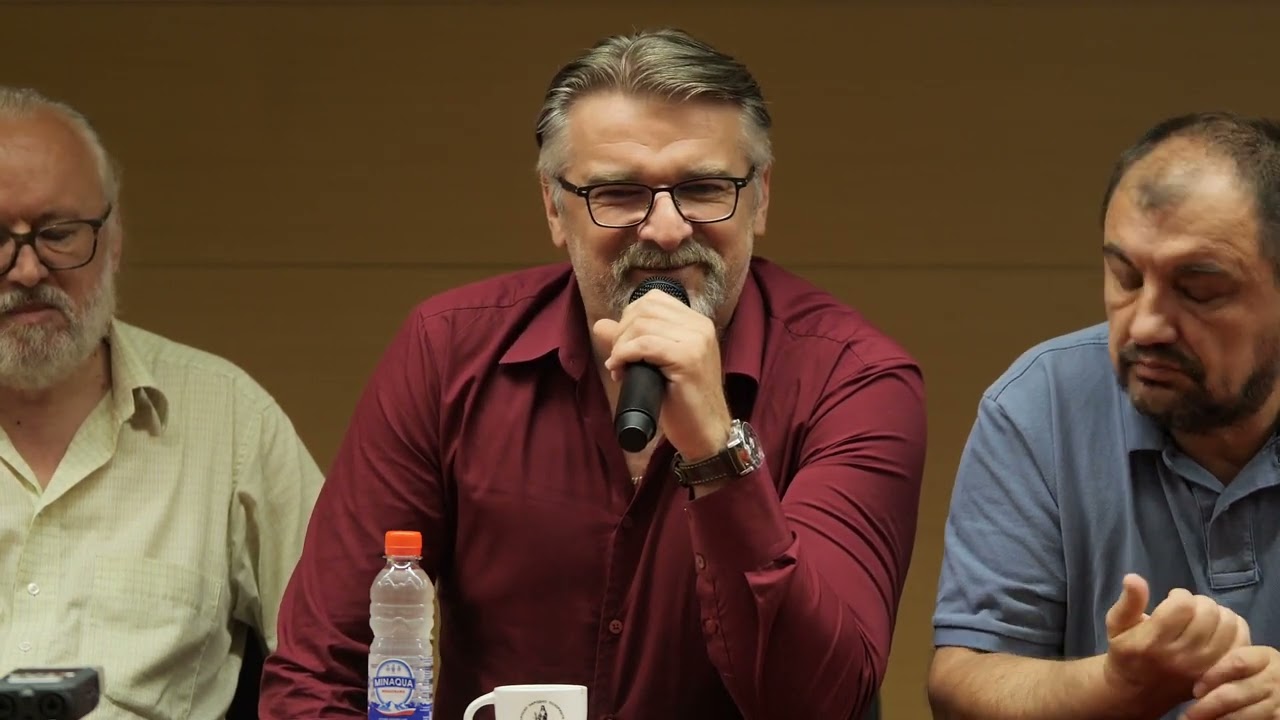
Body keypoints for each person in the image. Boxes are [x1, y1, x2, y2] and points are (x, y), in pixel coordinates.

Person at [259, 27, 926, 720]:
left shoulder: (855, 381)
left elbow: (822, 702)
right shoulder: (448, 350)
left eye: (703, 188)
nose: (665, 229)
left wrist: (717, 454)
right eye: (619, 192)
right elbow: (318, 671)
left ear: (760, 198)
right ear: (555, 207)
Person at [928, 111, 1280, 720]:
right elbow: (961, 687)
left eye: (1199, 290)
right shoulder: (1042, 405)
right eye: (1126, 277)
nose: (1145, 325)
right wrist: (1117, 686)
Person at [0, 86, 326, 718]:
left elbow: (344, 655)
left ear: (114, 240)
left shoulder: (229, 420)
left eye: (59, 234)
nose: (29, 270)